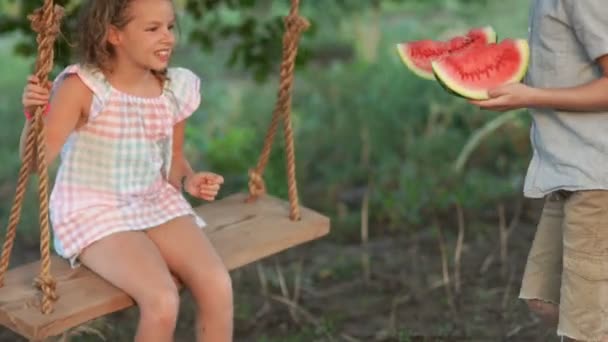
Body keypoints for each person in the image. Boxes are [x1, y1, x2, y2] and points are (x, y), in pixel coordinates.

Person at [20, 0, 233, 341]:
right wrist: (34, 117)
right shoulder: (82, 87)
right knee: (162, 300)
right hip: (94, 211)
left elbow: (173, 161)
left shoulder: (173, 89)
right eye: (152, 29)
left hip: (152, 200)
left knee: (218, 284)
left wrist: (189, 179)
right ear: (114, 34)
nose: (167, 37)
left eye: (169, 26)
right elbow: (33, 163)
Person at [469, 1, 608, 341]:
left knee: (584, 330)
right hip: (567, 172)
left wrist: (530, 96)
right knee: (544, 300)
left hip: (596, 176)